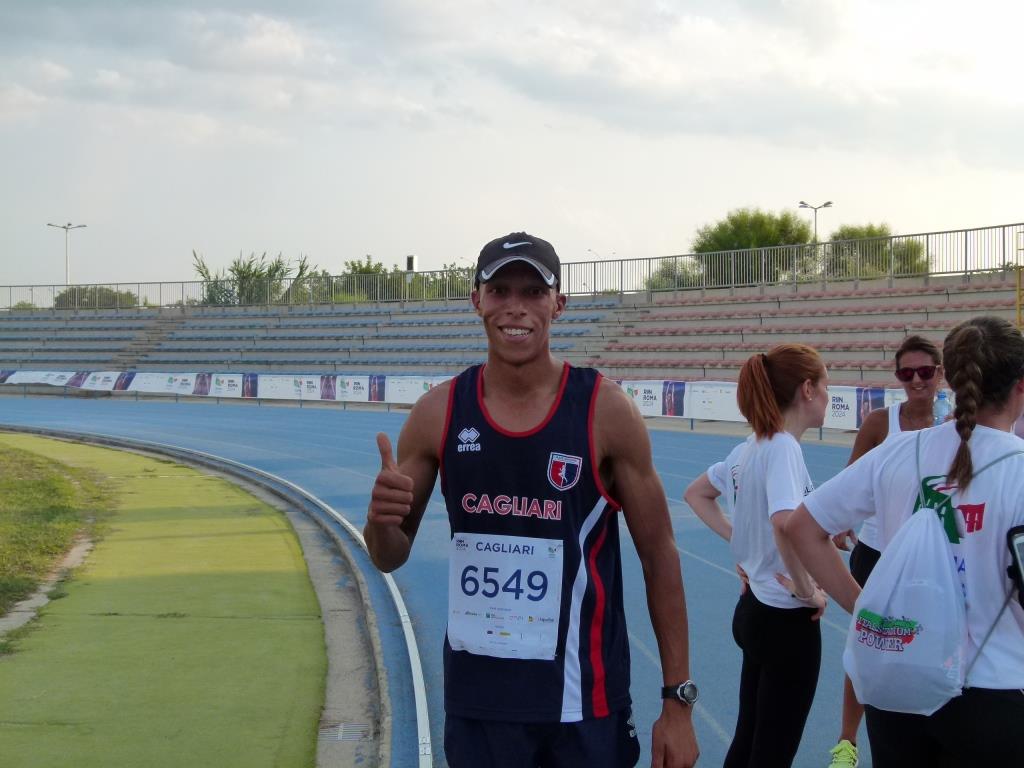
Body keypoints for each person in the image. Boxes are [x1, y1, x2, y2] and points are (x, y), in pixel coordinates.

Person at [364, 232, 700, 768]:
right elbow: (388, 555)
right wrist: (380, 521)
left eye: (533, 291)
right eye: (499, 290)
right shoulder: (437, 414)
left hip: (584, 701)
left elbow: (659, 554)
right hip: (480, 703)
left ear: (558, 304)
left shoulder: (606, 411)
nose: (515, 307)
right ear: (476, 300)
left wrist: (677, 702)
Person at [786, 316, 1024, 765]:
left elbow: (802, 527)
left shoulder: (899, 450)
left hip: (899, 687)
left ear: (948, 378)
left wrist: (864, 608)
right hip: (994, 692)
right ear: (1021, 385)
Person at [682, 344, 829, 768]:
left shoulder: (750, 447)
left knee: (749, 739)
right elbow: (784, 523)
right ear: (807, 389)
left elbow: (696, 494)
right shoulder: (783, 447)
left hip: (754, 612)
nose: (828, 395)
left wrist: (744, 541)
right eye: (826, 385)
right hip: (786, 619)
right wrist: (807, 591)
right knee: (772, 752)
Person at [826, 335, 943, 768]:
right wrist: (840, 523)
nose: (916, 380)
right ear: (897, 376)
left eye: (925, 372)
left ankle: (929, 732)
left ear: (940, 373)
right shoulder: (880, 422)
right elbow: (850, 480)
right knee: (866, 645)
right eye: (906, 373)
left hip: (931, 559)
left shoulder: (954, 423)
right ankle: (847, 742)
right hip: (877, 553)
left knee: (931, 643)